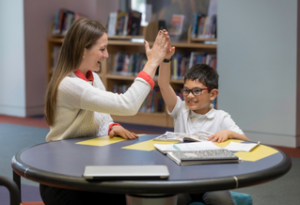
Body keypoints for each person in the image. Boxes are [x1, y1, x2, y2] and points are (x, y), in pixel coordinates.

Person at [41, 18, 172, 205]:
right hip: (62, 178)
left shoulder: (92, 77)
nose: (107, 55)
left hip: (86, 169)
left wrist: (111, 125)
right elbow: (128, 105)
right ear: (82, 50)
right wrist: (151, 64)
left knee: (121, 195)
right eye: (102, 49)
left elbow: (101, 115)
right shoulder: (69, 85)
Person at [158, 47, 249, 205]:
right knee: (173, 198)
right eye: (186, 91)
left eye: (197, 91)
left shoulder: (221, 117)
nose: (190, 96)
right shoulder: (180, 110)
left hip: (213, 179)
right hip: (182, 178)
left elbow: (246, 141)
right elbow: (164, 85)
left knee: (219, 198)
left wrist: (228, 132)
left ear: (213, 94)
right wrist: (166, 60)